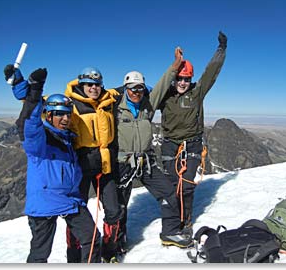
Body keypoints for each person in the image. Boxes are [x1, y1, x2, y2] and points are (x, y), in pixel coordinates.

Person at [3, 66, 101, 263]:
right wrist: (36, 90)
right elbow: (29, 123)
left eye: (67, 114)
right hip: (45, 204)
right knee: (40, 254)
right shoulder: (41, 139)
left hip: (70, 199)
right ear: (49, 115)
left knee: (92, 239)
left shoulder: (66, 138)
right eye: (59, 114)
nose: (65, 119)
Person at [111, 47, 193, 250]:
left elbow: (164, 83)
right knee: (118, 206)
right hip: (122, 163)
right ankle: (116, 243)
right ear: (125, 88)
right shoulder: (113, 106)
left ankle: (170, 232)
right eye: (132, 88)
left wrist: (175, 65)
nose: (136, 92)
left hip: (146, 161)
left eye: (140, 88)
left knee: (169, 193)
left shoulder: (148, 104)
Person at [158, 31, 227, 237]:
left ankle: (186, 222)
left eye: (186, 79)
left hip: (192, 145)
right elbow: (148, 95)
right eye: (179, 78)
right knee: (172, 187)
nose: (182, 83)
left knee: (186, 186)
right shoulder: (165, 95)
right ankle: (173, 223)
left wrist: (221, 50)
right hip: (170, 145)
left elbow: (211, 72)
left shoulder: (196, 93)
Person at [64, 67, 123, 263]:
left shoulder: (108, 101)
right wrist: (23, 89)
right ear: (81, 85)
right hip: (81, 166)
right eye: (89, 84)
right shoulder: (70, 103)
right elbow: (42, 106)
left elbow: (121, 90)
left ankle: (109, 250)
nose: (94, 88)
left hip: (104, 165)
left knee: (114, 210)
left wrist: (143, 87)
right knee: (76, 213)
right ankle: (75, 254)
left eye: (97, 84)